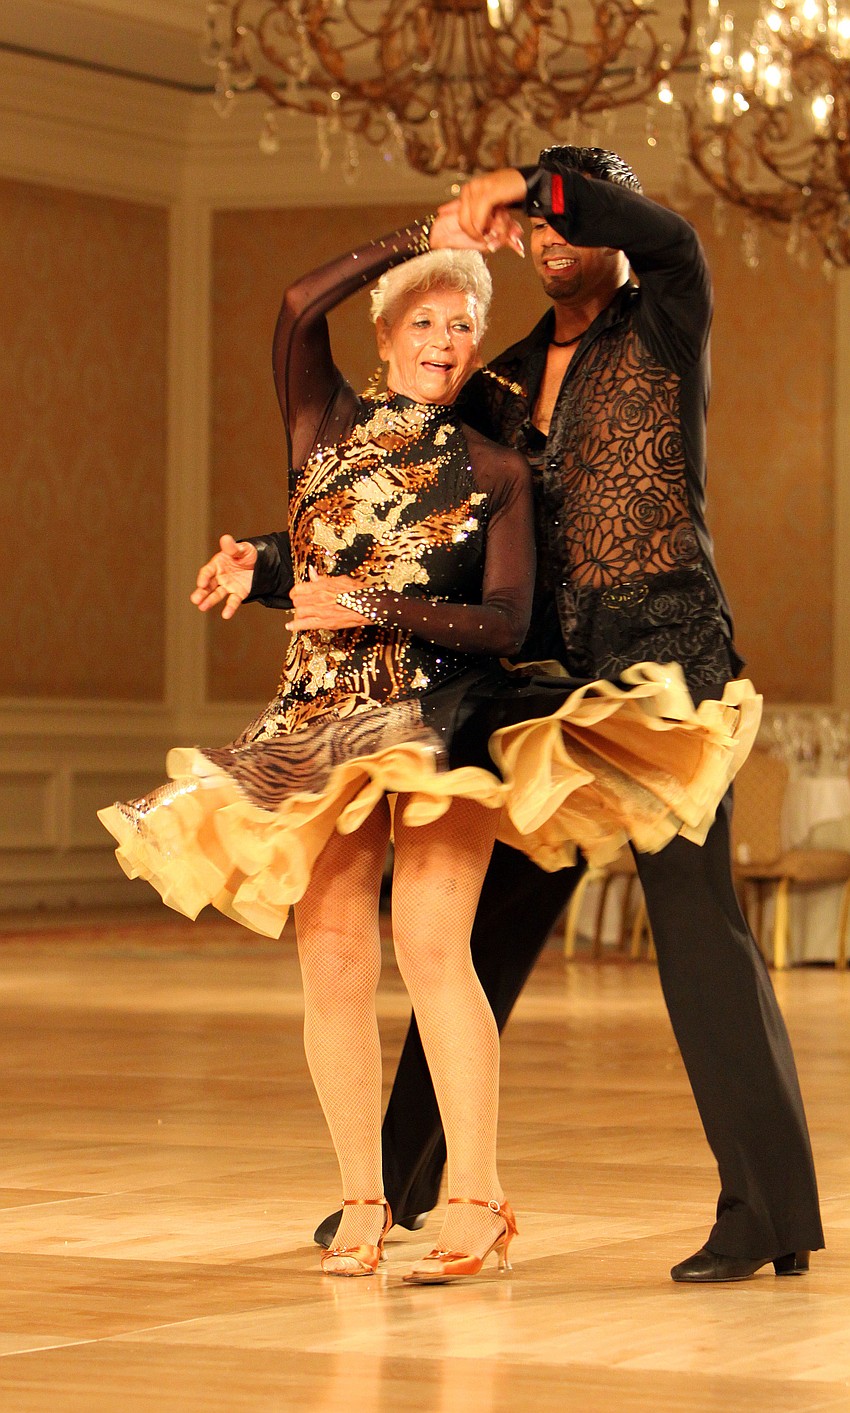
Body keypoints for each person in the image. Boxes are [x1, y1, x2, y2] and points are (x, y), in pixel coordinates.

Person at [223, 148, 823, 1285]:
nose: (551, 245)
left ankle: (766, 1212)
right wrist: (260, 564)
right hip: (537, 686)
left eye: (568, 222)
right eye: (534, 232)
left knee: (700, 938)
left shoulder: (663, 315)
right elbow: (402, 518)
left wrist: (526, 183)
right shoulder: (495, 382)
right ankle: (402, 1184)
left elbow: (653, 228)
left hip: (659, 673)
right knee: (466, 933)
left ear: (602, 225)